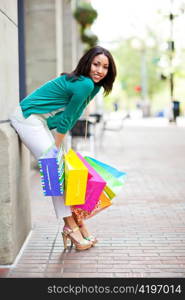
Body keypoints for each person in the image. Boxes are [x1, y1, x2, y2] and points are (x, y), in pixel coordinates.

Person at [10, 45, 117, 251]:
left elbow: (71, 115)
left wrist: (57, 145)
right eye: (96, 64)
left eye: (105, 67)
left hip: (39, 122)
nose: (99, 71)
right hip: (27, 118)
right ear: (87, 63)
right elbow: (67, 119)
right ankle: (71, 226)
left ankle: (77, 224)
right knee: (54, 171)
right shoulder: (84, 83)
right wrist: (56, 147)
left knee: (58, 172)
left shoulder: (91, 86)